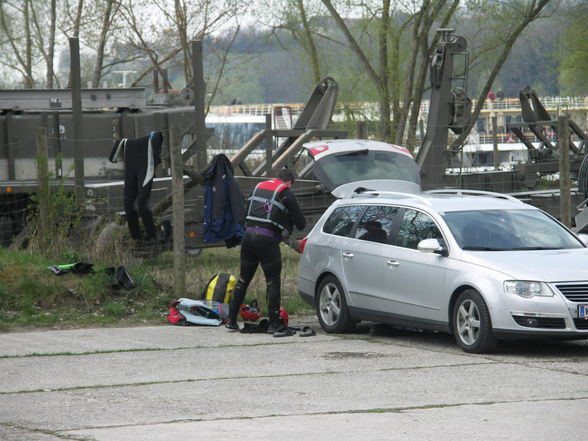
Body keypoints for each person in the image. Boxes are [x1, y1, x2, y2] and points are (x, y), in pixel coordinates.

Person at [226, 168, 306, 332]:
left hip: (248, 237)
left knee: (243, 279)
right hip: (267, 240)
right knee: (272, 282)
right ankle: (274, 324)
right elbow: (301, 223)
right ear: (289, 183)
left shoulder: (259, 186)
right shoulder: (285, 192)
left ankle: (231, 320)